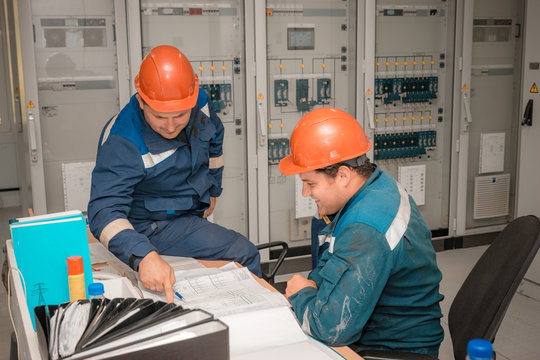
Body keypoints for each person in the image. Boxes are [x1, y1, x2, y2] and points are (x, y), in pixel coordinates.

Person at [88, 45, 261, 303]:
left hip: (187, 211)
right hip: (150, 225)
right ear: (141, 100)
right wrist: (143, 255)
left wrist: (212, 188)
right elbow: (103, 211)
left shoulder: (199, 102)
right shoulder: (122, 140)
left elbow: (215, 138)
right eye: (159, 117)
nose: (170, 126)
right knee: (244, 253)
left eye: (180, 115)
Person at [279, 107, 444, 356]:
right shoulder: (376, 185)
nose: (305, 193)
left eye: (310, 183)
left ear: (343, 175)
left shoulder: (365, 229)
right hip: (383, 327)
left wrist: (302, 295)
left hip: (393, 347)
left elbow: (331, 329)